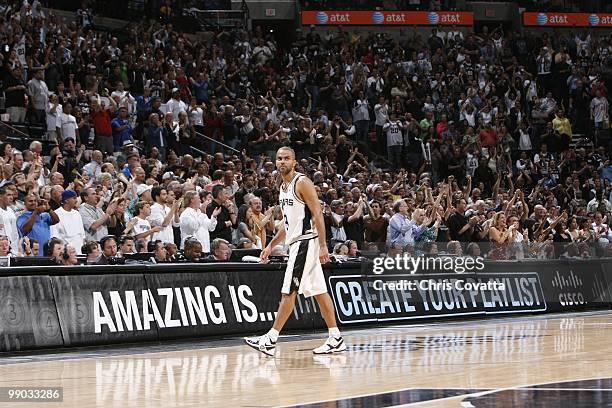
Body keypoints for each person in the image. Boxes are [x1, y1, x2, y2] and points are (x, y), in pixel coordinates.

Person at [245, 147, 346, 356]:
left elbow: (318, 213)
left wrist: (324, 245)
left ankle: (270, 339)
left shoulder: (302, 182)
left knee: (288, 290)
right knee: (319, 291)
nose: (282, 162)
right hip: (297, 242)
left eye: (286, 158)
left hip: (306, 242)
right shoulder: (283, 187)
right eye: (279, 158)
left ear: (294, 161)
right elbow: (288, 224)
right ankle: (335, 337)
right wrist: (271, 245)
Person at [51, 189, 86, 254]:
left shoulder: (77, 213)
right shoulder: (56, 214)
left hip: (80, 252)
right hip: (66, 253)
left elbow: (82, 235)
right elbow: (55, 237)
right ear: (66, 200)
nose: (76, 201)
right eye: (74, 198)